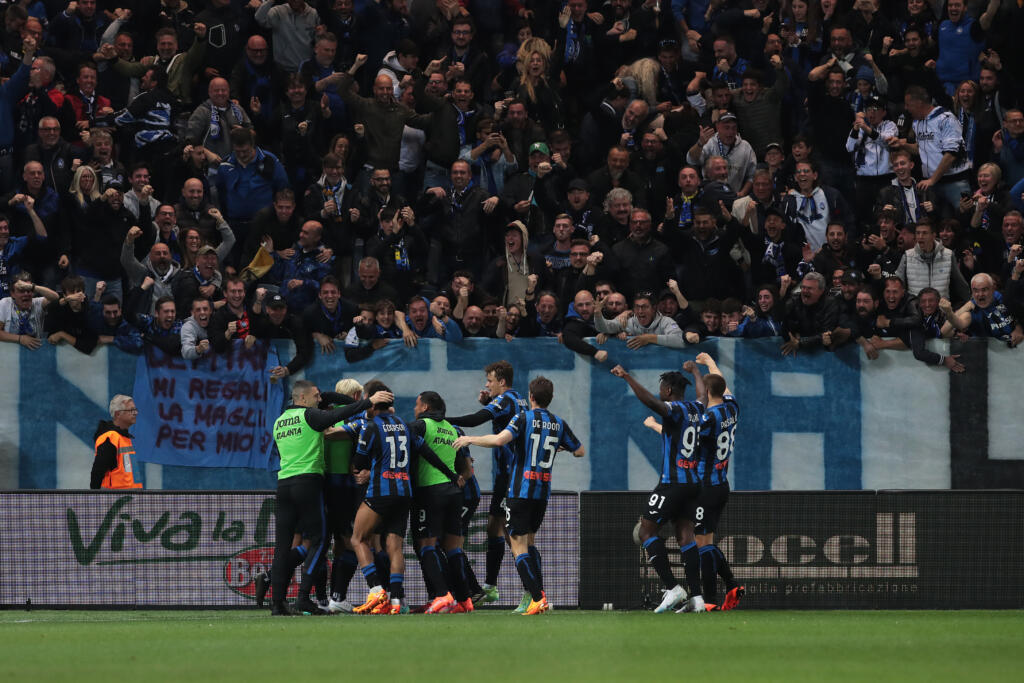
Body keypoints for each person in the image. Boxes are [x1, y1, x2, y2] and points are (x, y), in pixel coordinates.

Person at [453, 376, 583, 615]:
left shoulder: (524, 418)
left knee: (517, 544)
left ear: (531, 397)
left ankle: (536, 597)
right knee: (530, 542)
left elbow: (499, 439)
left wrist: (470, 438)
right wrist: (556, 447)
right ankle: (537, 595)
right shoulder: (559, 422)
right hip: (542, 492)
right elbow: (580, 451)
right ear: (550, 398)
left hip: (521, 489)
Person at [269, 379, 389, 616]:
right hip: (308, 482)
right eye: (315, 396)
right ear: (302, 399)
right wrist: (368, 402)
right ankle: (304, 598)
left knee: (282, 547)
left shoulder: (279, 422)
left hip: (283, 485)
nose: (319, 400)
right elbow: (342, 412)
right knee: (320, 540)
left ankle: (278, 604)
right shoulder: (310, 416)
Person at [609, 361, 706, 614]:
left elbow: (653, 404)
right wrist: (696, 371)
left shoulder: (673, 408)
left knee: (645, 531)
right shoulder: (697, 407)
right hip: (694, 483)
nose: (660, 391)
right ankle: (697, 598)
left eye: (662, 388)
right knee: (686, 536)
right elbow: (703, 394)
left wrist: (627, 376)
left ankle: (673, 588)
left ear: (669, 391)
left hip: (673, 483)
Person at [446, 360, 528, 604]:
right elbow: (498, 416)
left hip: (513, 474)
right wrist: (487, 403)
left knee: (513, 535)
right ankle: (491, 587)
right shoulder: (516, 399)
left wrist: (439, 419)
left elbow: (474, 420)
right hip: (507, 475)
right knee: (494, 526)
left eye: (490, 380)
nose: (486, 384)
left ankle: (530, 590)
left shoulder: (504, 399)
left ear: (502, 382)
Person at [349, 384, 427, 616]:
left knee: (357, 539)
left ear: (371, 403)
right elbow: (423, 451)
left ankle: (376, 591)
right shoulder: (404, 424)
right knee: (394, 546)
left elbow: (359, 461)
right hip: (405, 492)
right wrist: (452, 474)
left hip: (380, 491)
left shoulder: (371, 427)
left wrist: (362, 466)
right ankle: (395, 601)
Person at [407, 391, 472, 614]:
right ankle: (464, 600)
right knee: (453, 548)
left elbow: (402, 437)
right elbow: (465, 464)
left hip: (430, 490)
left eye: (417, 405)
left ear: (425, 407)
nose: (415, 409)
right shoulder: (450, 429)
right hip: (453, 492)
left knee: (426, 545)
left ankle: (442, 595)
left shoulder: (421, 425)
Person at [690, 352, 743, 612]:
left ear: (707, 391)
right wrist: (710, 362)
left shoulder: (708, 419)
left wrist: (655, 425)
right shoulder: (731, 407)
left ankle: (709, 600)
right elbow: (725, 386)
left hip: (706, 486)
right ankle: (732, 585)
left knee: (702, 544)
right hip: (721, 484)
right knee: (707, 542)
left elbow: (688, 442)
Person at [90, 394, 142, 490]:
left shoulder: (124, 438)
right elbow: (97, 472)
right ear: (118, 414)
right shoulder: (110, 438)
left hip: (130, 499)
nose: (135, 413)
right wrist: (95, 497)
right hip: (114, 501)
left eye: (135, 410)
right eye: (131, 410)